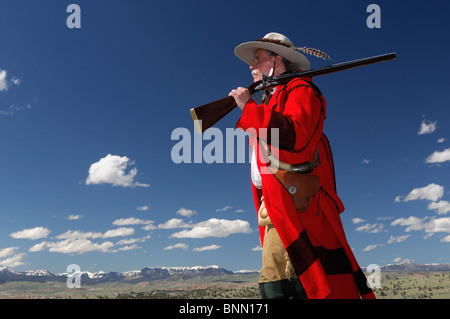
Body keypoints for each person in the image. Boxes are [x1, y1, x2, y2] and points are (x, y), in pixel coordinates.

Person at [229, 32, 375, 299]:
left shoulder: (301, 89)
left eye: (258, 59)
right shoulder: (271, 101)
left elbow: (295, 136)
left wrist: (249, 109)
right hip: (275, 205)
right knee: (280, 284)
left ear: (277, 60)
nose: (251, 66)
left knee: (282, 285)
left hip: (295, 207)